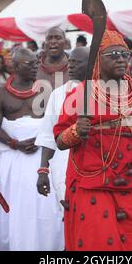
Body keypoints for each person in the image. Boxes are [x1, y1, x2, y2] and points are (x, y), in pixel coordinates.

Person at [53, 30, 132, 251]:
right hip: (93, 184)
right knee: (98, 245)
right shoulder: (81, 93)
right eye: (114, 54)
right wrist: (76, 131)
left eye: (124, 54)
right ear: (99, 60)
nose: (121, 59)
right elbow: (60, 140)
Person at [0, 48, 63, 251]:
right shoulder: (0, 93)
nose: (35, 67)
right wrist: (15, 144)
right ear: (16, 66)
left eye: (36, 63)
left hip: (42, 158)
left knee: (47, 208)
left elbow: (54, 123)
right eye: (30, 64)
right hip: (14, 161)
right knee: (17, 209)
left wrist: (40, 138)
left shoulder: (46, 92)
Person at [36, 47, 89, 217]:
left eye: (76, 62)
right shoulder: (58, 94)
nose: (71, 66)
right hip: (63, 166)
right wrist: (43, 171)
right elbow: (48, 136)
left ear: (91, 64)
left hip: (94, 168)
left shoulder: (104, 92)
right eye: (70, 62)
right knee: (70, 214)